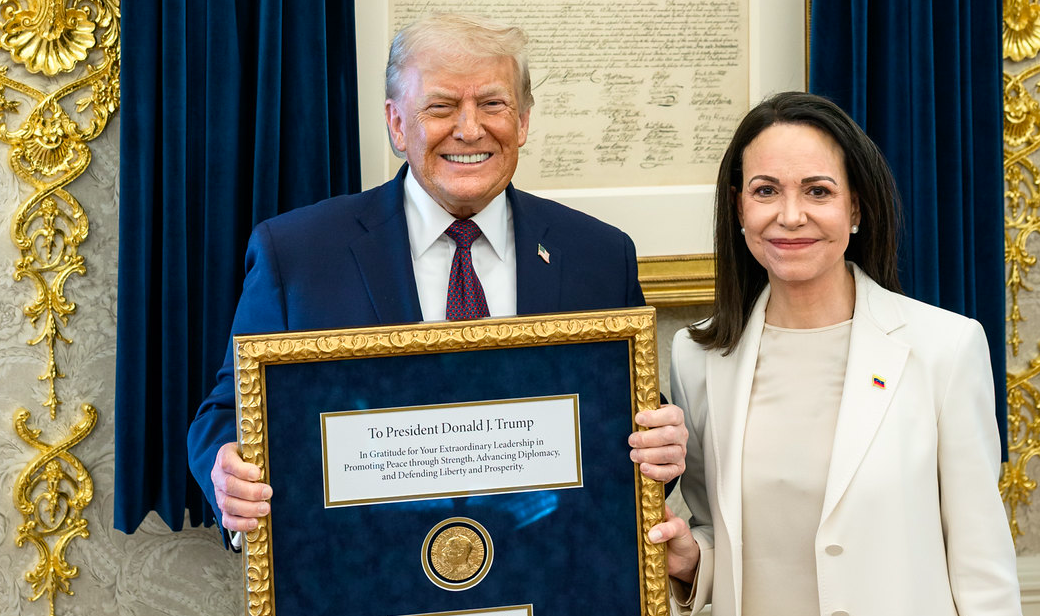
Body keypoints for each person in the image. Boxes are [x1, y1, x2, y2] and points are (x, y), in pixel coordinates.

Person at [187, 13, 687, 535]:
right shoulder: (297, 256)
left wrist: (661, 445)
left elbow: (629, 424)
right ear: (398, 124)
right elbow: (226, 414)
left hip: (548, 578)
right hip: (363, 581)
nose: (470, 129)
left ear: (522, 121)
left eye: (493, 104)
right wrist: (227, 471)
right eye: (441, 106)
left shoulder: (599, 256)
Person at [647, 92, 1032, 616]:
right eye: (766, 190)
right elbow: (718, 533)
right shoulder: (699, 357)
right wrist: (688, 559)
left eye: (818, 191)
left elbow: (984, 571)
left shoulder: (944, 349)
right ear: (738, 209)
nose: (790, 215)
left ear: (856, 209)